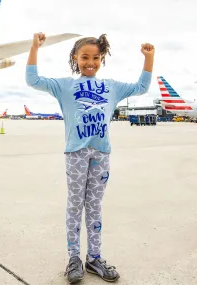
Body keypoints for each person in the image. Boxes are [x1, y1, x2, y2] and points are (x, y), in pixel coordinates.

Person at [26, 33, 154, 284]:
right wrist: (34, 48)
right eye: (85, 57)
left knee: (94, 207)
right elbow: (33, 80)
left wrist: (149, 59)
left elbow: (141, 87)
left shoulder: (112, 87)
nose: (90, 62)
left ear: (102, 58)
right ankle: (74, 258)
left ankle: (94, 258)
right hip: (76, 153)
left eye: (96, 57)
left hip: (101, 153)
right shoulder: (64, 85)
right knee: (75, 205)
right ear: (75, 58)